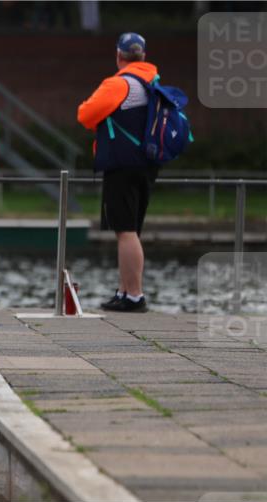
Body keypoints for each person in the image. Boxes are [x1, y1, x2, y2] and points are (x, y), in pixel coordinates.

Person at [77, 32, 158, 313]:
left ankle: (134, 296)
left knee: (125, 231)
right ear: (143, 56)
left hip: (122, 164)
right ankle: (124, 290)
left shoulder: (119, 83)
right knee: (130, 230)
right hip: (146, 164)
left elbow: (85, 114)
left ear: (118, 56)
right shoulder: (153, 81)